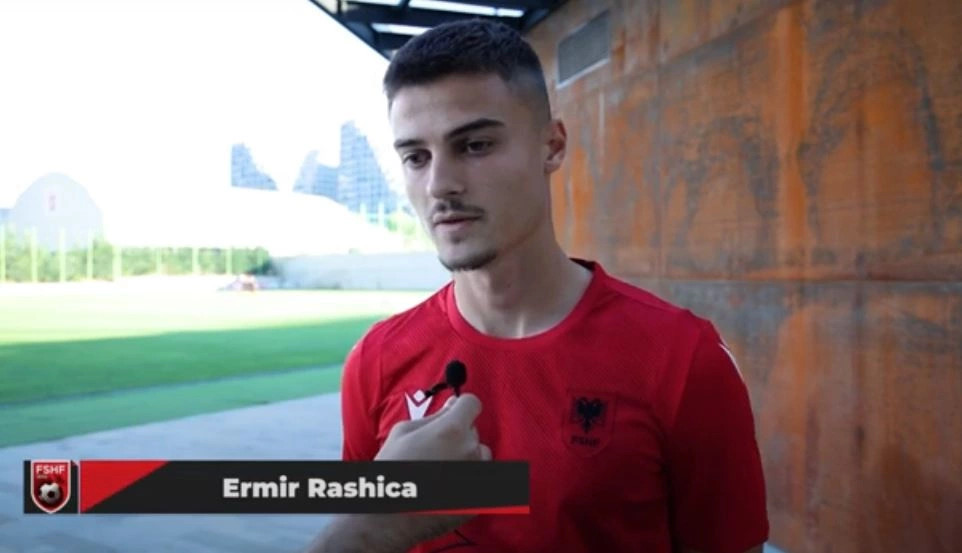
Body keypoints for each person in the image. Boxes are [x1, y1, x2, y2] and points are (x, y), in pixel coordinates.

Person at [307, 19, 768, 553]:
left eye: (474, 145)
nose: (439, 185)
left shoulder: (683, 359)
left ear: (552, 146)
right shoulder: (376, 361)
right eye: (416, 157)